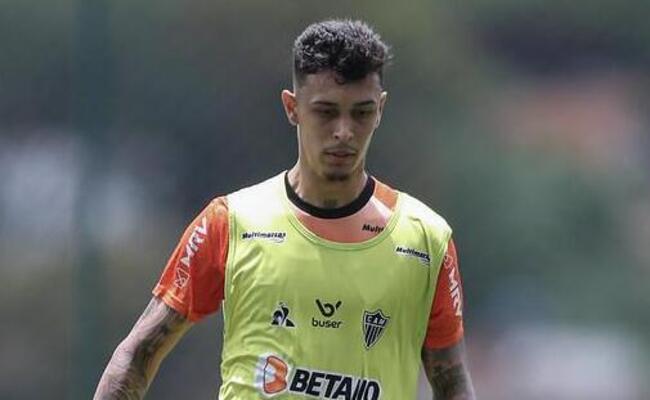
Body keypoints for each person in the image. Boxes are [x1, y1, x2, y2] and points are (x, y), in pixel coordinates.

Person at [94, 19, 476, 400]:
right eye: (326, 112)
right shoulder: (230, 222)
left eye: (361, 113)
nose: (344, 131)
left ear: (381, 110)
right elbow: (137, 355)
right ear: (292, 108)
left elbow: (452, 383)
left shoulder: (425, 239)